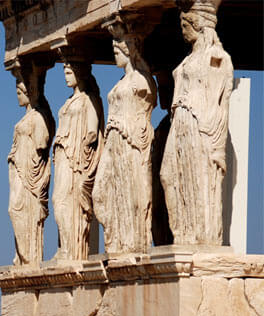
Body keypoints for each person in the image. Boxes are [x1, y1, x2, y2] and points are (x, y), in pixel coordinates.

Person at [160, 0, 232, 245]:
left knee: (198, 179)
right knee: (168, 176)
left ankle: (200, 238)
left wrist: (210, 134)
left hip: (198, 125)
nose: (182, 28)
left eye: (185, 22)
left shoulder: (217, 57)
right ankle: (182, 233)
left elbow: (221, 99)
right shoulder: (189, 59)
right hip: (179, 123)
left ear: (198, 24)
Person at [93, 24, 156, 253]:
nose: (115, 53)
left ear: (130, 49)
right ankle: (116, 241)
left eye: (118, 49)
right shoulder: (122, 82)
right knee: (100, 194)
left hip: (130, 142)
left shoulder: (142, 80)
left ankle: (131, 244)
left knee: (132, 193)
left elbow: (148, 106)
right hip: (113, 142)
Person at [52, 62, 104, 260]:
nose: (66, 76)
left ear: (79, 72)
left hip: (75, 158)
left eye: (69, 72)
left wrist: (83, 148)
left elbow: (93, 130)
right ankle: (65, 246)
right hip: (63, 156)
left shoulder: (88, 100)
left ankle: (71, 249)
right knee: (60, 200)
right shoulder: (69, 101)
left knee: (65, 201)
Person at [8, 64, 54, 265]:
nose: (18, 95)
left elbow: (43, 141)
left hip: (30, 172)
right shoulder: (29, 116)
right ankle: (23, 255)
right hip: (20, 169)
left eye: (21, 91)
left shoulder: (38, 116)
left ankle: (30, 257)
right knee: (14, 209)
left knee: (19, 209)